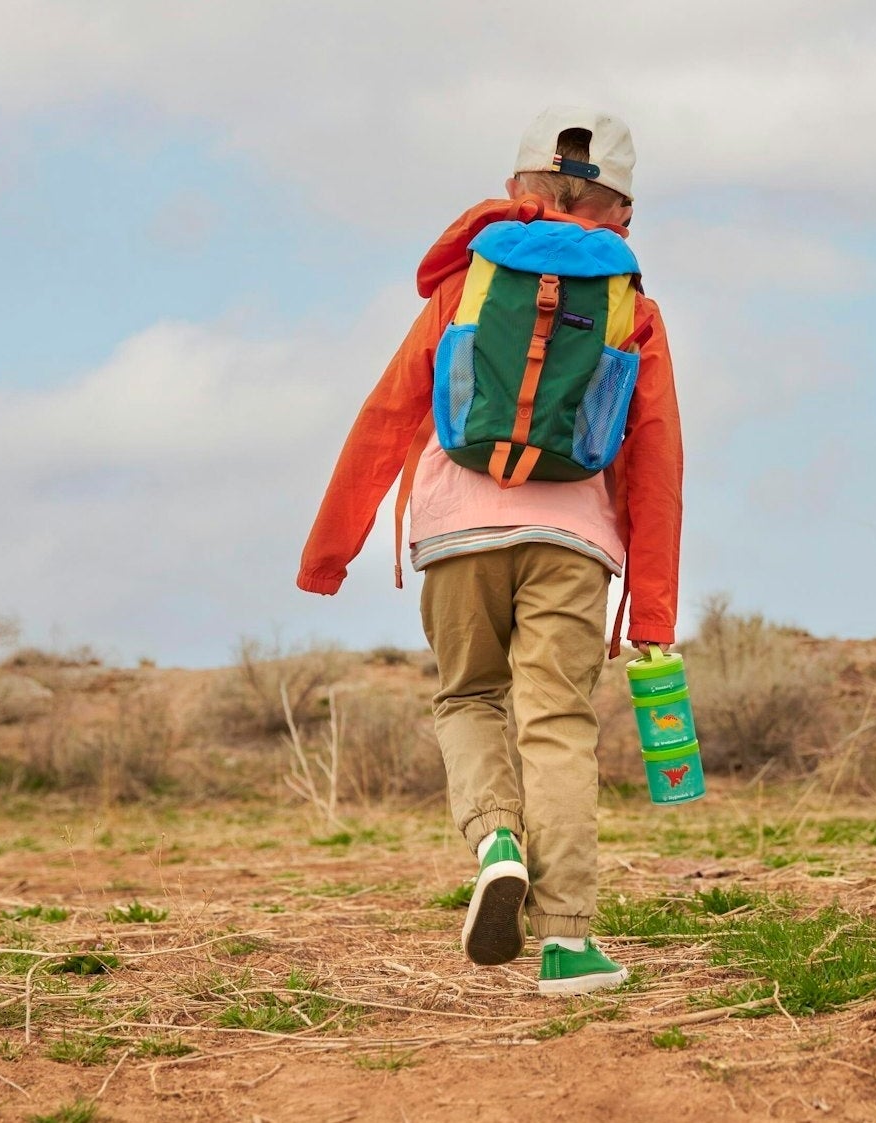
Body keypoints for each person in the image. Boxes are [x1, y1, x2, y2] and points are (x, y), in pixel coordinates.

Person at [297, 106, 683, 995]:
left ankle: (496, 839)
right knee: (556, 722)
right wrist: (653, 608)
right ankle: (569, 944)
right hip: (572, 541)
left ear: (517, 191)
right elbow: (654, 458)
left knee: (470, 696)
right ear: (623, 212)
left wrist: (329, 553)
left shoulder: (465, 286)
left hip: (457, 532)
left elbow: (387, 414)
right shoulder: (634, 308)